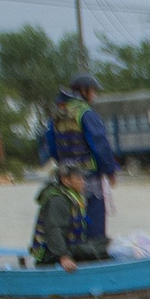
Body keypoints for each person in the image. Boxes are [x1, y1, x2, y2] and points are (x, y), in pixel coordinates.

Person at [43, 74, 118, 246]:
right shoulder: (86, 113)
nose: (94, 95)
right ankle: (94, 251)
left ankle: (72, 250)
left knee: (71, 214)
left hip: (66, 177)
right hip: (88, 176)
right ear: (84, 91)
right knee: (93, 215)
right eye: (93, 91)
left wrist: (65, 168)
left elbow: (51, 146)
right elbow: (100, 144)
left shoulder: (58, 113)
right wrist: (110, 170)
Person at [30, 163, 107, 269]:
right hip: (51, 254)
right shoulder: (57, 200)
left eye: (83, 179)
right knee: (100, 253)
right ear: (66, 180)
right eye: (79, 179)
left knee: (104, 244)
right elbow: (54, 229)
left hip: (69, 247)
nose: (83, 182)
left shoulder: (73, 196)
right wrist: (63, 256)